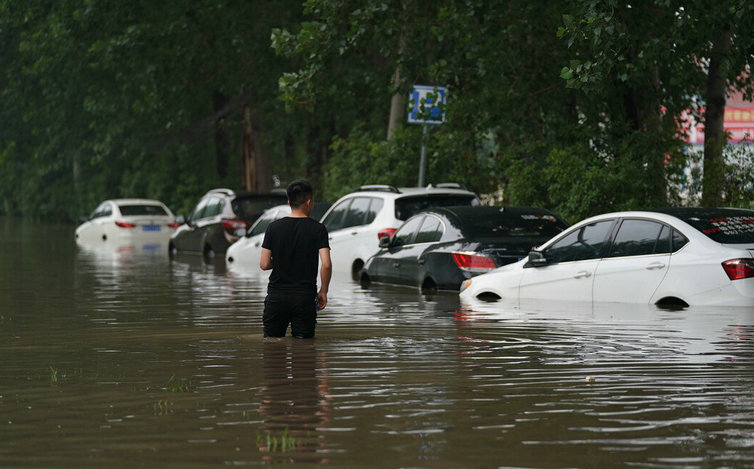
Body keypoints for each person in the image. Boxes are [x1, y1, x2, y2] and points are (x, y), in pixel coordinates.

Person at [259, 180, 332, 338]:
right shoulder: (318, 229)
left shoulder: (273, 228)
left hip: (277, 297)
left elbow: (264, 264)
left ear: (288, 202)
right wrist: (324, 291)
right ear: (309, 202)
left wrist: (280, 260)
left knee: (272, 348)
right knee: (304, 352)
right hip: (304, 298)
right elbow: (326, 264)